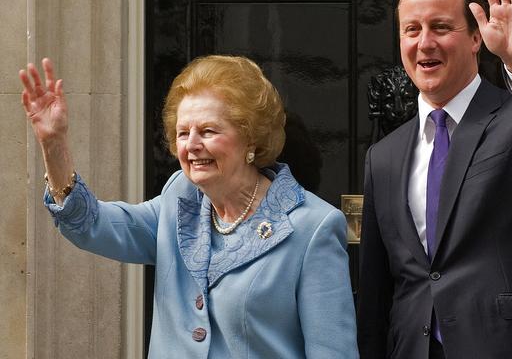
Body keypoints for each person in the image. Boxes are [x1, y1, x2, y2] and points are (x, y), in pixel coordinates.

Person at [19, 55, 359, 359]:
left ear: (251, 139)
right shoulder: (181, 198)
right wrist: (54, 145)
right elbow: (94, 226)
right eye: (183, 133)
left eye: (208, 131)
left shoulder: (312, 227)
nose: (192, 145)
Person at [357, 0, 512, 359]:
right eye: (412, 29)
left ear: (476, 37)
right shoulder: (384, 155)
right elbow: (377, 292)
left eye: (441, 28)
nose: (424, 42)